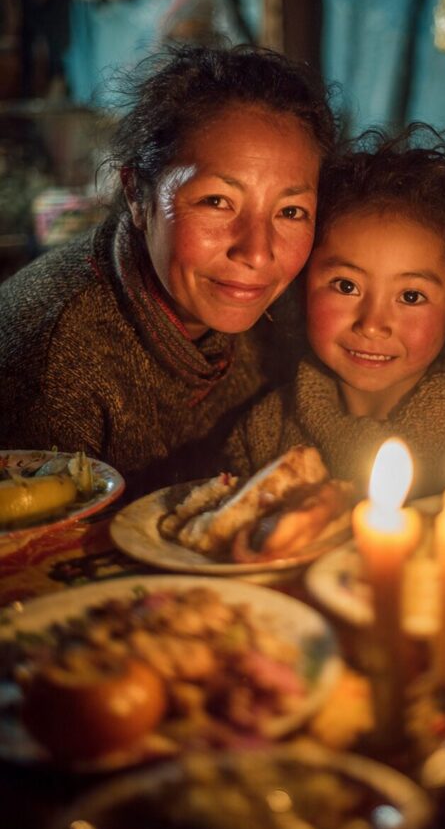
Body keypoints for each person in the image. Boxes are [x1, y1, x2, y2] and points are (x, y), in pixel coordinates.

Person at [0, 44, 337, 496]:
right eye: (216, 201)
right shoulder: (54, 365)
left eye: (291, 212)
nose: (257, 253)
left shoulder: (302, 310)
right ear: (138, 195)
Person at [225, 124, 445, 498]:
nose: (372, 325)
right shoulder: (267, 429)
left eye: (411, 297)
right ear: (302, 285)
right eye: (346, 286)